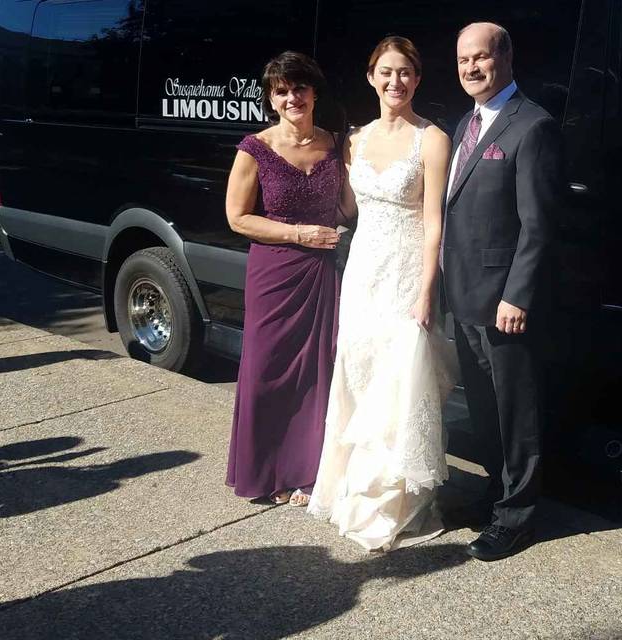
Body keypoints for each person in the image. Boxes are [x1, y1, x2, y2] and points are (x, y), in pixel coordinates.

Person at [308, 36, 457, 551]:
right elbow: (349, 208)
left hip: (404, 277)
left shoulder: (432, 139)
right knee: (361, 375)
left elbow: (436, 224)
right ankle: (351, 489)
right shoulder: (353, 140)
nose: (396, 82)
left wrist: (425, 292)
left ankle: (393, 502)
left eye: (406, 73)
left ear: (417, 80)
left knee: (400, 386)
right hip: (364, 272)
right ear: (371, 76)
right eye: (386, 72)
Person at [442, 23, 561, 561]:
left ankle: (518, 516)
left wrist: (518, 295)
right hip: (463, 296)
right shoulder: (465, 123)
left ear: (506, 58)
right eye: (464, 59)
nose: (471, 68)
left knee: (516, 413)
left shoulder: (531, 126)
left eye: (481, 58)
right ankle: (496, 493)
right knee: (485, 410)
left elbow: (538, 225)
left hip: (503, 302)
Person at [225, 51, 352, 507]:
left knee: (318, 372)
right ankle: (267, 469)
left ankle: (308, 471)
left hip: (322, 272)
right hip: (275, 272)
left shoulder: (339, 144)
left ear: (315, 92)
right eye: (282, 91)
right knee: (266, 371)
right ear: (271, 100)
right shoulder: (254, 148)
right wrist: (297, 232)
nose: (292, 97)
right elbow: (237, 218)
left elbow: (354, 206)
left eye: (299, 87)